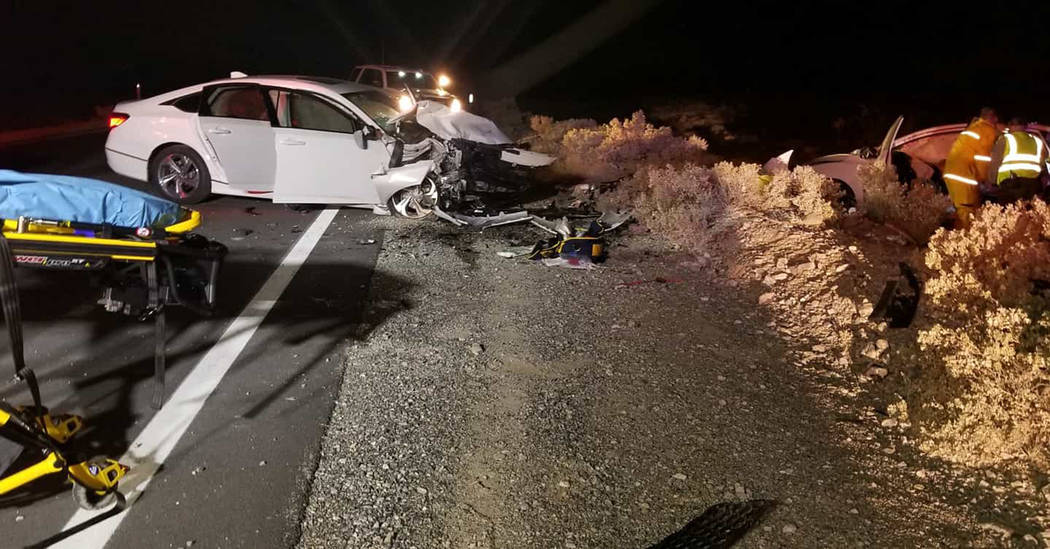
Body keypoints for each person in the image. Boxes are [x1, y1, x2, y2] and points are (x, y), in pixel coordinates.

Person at [943, 107, 1000, 227]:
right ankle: (966, 235)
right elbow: (983, 159)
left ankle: (962, 232)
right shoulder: (987, 131)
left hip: (955, 173)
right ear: (991, 117)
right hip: (964, 175)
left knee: (964, 208)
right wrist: (987, 180)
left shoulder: (975, 128)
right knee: (967, 208)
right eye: (996, 117)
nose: (997, 121)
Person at [982, 117, 1049, 203]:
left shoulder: (1006, 139)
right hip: (1033, 185)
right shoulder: (1037, 141)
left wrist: (991, 181)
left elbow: (995, 162)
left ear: (1010, 126)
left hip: (1011, 185)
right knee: (1030, 210)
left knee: (1010, 210)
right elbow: (1044, 164)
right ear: (1025, 127)